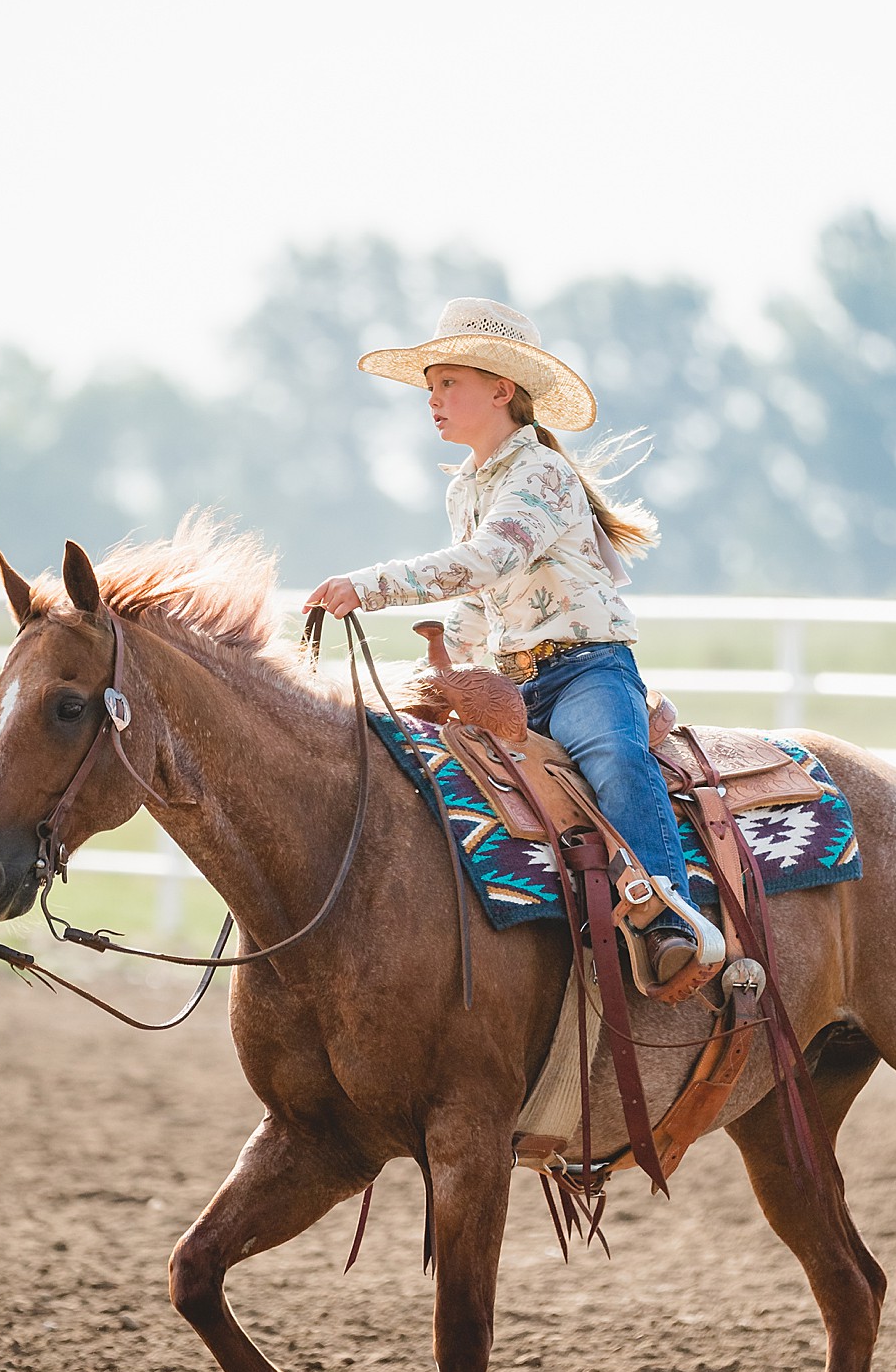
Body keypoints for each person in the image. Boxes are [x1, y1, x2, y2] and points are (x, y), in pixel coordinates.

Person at [304, 297, 721, 986]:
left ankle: (665, 917)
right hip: (517, 681)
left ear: (501, 390)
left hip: (587, 669)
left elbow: (489, 559)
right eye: (430, 387)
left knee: (614, 757)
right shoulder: (466, 486)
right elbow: (480, 597)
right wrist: (447, 668)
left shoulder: (542, 475)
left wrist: (371, 585)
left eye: (448, 385)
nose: (432, 400)